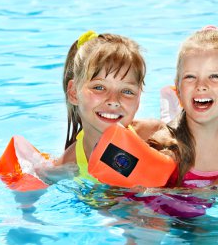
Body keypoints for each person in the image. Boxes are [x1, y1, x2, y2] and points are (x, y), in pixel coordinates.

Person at [53, 30, 167, 181]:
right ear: (74, 93)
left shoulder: (153, 136)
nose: (113, 100)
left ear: (138, 97)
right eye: (99, 87)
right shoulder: (68, 165)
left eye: (127, 91)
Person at [159, 26, 218, 188]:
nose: (201, 85)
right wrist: (213, 190)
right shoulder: (165, 148)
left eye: (214, 76)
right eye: (190, 77)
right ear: (178, 89)